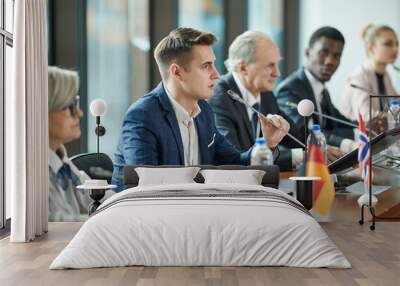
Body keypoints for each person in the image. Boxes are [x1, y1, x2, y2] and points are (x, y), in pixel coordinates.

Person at [112, 27, 289, 192]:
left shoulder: (203, 111)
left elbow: (236, 164)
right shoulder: (143, 116)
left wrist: (267, 143)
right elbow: (146, 191)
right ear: (177, 72)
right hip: (149, 219)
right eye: (206, 66)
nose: (216, 74)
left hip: (194, 212)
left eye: (213, 64)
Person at [209, 31, 304, 171]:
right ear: (243, 68)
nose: (277, 73)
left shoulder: (265, 94)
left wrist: (319, 148)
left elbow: (295, 136)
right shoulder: (219, 98)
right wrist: (301, 156)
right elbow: (236, 160)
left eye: (277, 64)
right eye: (270, 65)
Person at [276, 26, 357, 162]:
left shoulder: (322, 90)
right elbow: (307, 134)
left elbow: (340, 123)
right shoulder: (290, 89)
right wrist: (350, 143)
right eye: (323, 53)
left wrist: (366, 127)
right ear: (308, 53)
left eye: (336, 56)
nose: (330, 61)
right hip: (296, 169)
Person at [48, 66, 92, 221]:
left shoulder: (62, 161)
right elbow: (57, 222)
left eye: (76, 104)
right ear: (40, 110)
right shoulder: (31, 178)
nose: (79, 113)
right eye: (68, 106)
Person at [341, 24, 398, 132]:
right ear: (371, 48)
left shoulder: (385, 75)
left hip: (380, 139)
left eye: (397, 44)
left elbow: (396, 105)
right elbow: (367, 117)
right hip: (358, 140)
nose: (395, 49)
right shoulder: (359, 76)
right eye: (388, 44)